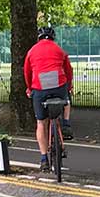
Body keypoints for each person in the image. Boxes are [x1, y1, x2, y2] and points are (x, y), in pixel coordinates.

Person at [23, 26, 74, 171]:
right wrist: (69, 86)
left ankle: (44, 158)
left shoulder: (32, 51)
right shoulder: (59, 50)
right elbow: (68, 70)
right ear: (53, 37)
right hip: (58, 85)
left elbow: (27, 72)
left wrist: (29, 88)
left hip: (39, 88)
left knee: (41, 123)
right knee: (67, 99)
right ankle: (65, 124)